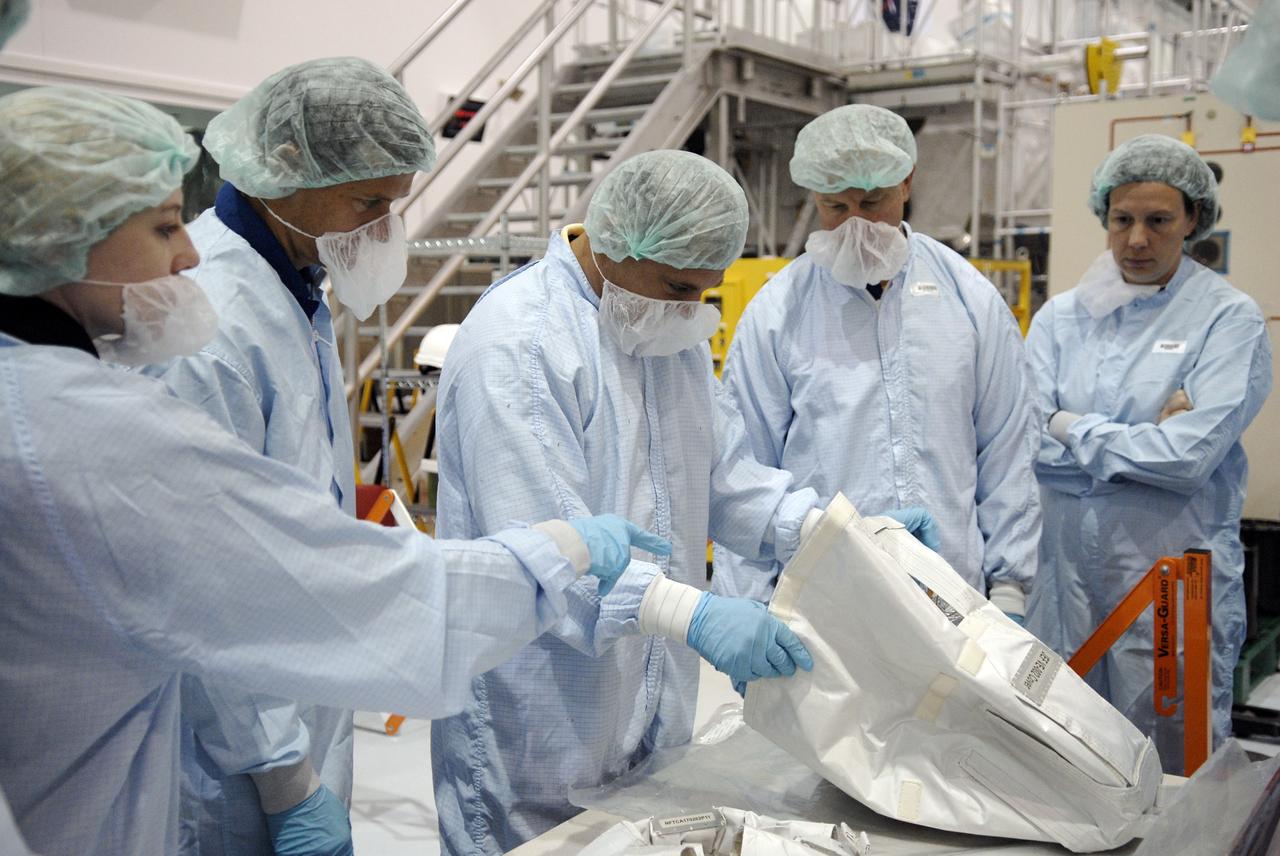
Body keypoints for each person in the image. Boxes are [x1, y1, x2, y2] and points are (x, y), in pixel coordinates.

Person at [0, 84, 668, 856]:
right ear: (56, 236)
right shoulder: (88, 424)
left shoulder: (277, 300)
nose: (186, 253)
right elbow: (303, 587)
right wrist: (559, 553)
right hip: (164, 790)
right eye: (161, 225)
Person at [429, 149, 938, 855]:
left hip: (648, 714)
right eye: (677, 285)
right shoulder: (521, 343)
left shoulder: (660, 326)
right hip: (539, 727)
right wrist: (691, 614)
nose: (688, 308)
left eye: (703, 290)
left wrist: (837, 533)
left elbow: (725, 479)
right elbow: (545, 553)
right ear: (616, 242)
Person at [136, 56, 432, 856]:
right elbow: (204, 577)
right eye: (370, 203)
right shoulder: (211, 324)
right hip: (229, 760)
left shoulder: (293, 284)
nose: (385, 229)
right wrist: (284, 782)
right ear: (288, 170)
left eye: (395, 204)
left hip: (297, 707)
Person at [713, 104, 1041, 624]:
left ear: (906, 183)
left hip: (953, 597)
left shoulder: (968, 299)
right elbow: (745, 471)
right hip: (824, 603)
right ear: (813, 197)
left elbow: (1007, 447)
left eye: (872, 202)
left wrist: (1009, 587)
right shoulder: (779, 313)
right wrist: (751, 607)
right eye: (835, 206)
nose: (856, 225)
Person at [1025, 134, 1272, 770]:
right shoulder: (1060, 319)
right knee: (1060, 746)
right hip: (1064, 580)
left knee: (1171, 754)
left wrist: (1067, 425)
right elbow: (1026, 443)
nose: (1136, 240)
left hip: (1167, 580)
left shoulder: (1227, 319)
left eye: (1158, 220)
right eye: (1122, 220)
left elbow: (1187, 459)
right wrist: (1141, 442)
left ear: (1193, 219)